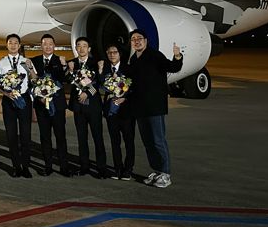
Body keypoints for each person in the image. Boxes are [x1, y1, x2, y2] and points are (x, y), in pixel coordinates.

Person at [127, 29, 183, 188]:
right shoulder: (134, 59)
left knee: (158, 140)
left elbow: (172, 67)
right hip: (140, 107)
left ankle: (165, 173)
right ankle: (157, 170)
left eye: (139, 38)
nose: (136, 41)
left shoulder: (155, 55)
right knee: (148, 142)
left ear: (146, 40)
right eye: (133, 39)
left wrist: (177, 56)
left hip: (154, 106)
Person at [0, 33, 37, 178]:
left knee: (25, 134)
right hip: (8, 100)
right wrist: (6, 94)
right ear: (7, 45)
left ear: (19, 45)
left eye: (15, 43)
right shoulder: (1, 63)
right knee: (11, 134)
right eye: (10, 42)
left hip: (24, 99)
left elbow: (35, 80)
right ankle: (16, 166)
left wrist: (30, 69)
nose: (13, 45)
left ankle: (26, 166)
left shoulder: (26, 61)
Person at [30, 34, 73, 176]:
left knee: (60, 136)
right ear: (40, 46)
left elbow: (66, 80)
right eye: (44, 43)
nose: (47, 46)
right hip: (41, 106)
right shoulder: (34, 61)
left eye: (50, 43)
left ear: (54, 45)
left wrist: (65, 66)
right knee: (45, 137)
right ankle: (48, 166)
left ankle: (64, 167)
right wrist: (38, 98)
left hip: (58, 106)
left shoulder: (60, 60)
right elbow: (32, 82)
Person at [69, 37, 108, 178]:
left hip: (93, 107)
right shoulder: (72, 63)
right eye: (78, 46)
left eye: (84, 46)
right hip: (78, 107)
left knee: (98, 138)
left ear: (89, 49)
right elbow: (68, 81)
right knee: (81, 138)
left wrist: (87, 93)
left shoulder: (95, 63)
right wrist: (70, 71)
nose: (81, 48)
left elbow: (99, 83)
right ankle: (84, 167)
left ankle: (101, 168)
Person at [101, 43, 135, 180]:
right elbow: (99, 84)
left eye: (114, 52)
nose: (112, 55)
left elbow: (134, 88)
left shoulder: (128, 69)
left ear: (120, 54)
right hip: (111, 111)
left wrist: (124, 99)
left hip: (126, 111)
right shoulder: (105, 70)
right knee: (115, 142)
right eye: (109, 52)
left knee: (128, 141)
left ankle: (128, 169)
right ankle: (117, 169)